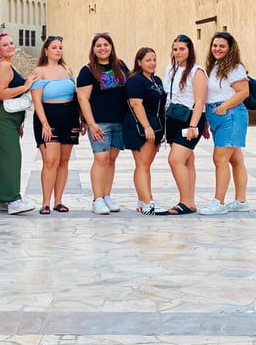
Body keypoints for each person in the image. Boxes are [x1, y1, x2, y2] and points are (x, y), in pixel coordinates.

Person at [0, 33, 38, 214]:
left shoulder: (7, 65)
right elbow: (0, 93)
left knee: (3, 158)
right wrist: (26, 86)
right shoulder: (3, 66)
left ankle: (2, 199)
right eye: (5, 45)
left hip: (8, 117)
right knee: (10, 157)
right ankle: (13, 199)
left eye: (11, 43)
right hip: (2, 118)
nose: (10, 46)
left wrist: (19, 121)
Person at [77, 33, 128, 215]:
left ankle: (107, 195)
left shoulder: (120, 66)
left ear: (111, 47)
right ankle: (97, 199)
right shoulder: (88, 71)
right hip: (100, 123)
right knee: (100, 159)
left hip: (119, 121)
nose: (102, 48)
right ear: (93, 49)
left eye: (106, 45)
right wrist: (91, 123)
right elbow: (83, 98)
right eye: (98, 45)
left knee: (111, 159)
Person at [199, 31, 250, 215]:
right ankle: (241, 201)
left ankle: (218, 203)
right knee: (236, 159)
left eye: (222, 46)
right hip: (217, 115)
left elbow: (243, 92)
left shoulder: (234, 67)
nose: (217, 49)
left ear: (230, 48)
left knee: (219, 159)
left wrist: (224, 107)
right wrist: (207, 118)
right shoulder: (214, 66)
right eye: (215, 45)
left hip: (231, 115)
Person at [31, 36, 80, 215]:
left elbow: (76, 96)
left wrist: (80, 119)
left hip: (69, 117)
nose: (58, 50)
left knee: (64, 161)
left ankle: (58, 201)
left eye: (60, 47)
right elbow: (36, 100)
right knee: (50, 161)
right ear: (46, 50)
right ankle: (45, 202)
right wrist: (44, 123)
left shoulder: (66, 69)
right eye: (54, 47)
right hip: (48, 118)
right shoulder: (39, 71)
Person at [161, 35, 207, 215]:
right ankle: (190, 201)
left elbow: (200, 100)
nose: (178, 52)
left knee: (175, 159)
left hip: (190, 119)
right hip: (173, 118)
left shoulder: (197, 71)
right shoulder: (171, 68)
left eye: (182, 49)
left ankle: (185, 201)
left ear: (190, 50)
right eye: (175, 49)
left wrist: (194, 126)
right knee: (187, 160)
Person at [123, 47, 166, 215]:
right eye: (148, 60)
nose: (152, 63)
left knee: (144, 165)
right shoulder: (135, 80)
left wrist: (160, 131)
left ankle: (143, 201)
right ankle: (148, 203)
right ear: (139, 62)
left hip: (155, 127)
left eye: (154, 59)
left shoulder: (156, 80)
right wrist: (147, 127)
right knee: (143, 165)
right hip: (140, 127)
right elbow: (136, 104)